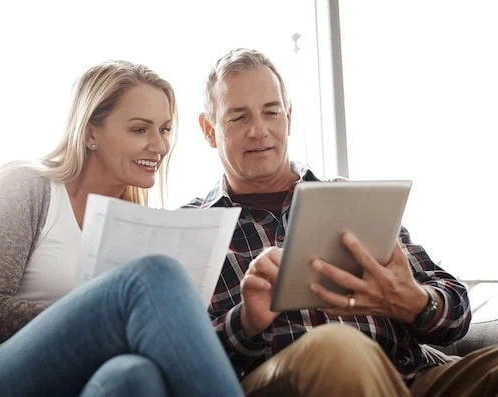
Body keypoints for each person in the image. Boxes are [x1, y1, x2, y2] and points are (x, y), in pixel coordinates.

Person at [185, 48, 498, 397]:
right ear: (209, 129)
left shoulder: (351, 200)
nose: (259, 130)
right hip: (290, 379)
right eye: (238, 117)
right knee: (337, 348)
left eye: (271, 112)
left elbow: (456, 311)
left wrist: (414, 301)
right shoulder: (192, 229)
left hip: (413, 376)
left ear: (288, 117)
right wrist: (246, 322)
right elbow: (181, 363)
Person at [0, 60, 244, 397]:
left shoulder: (138, 223)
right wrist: (105, 310)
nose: (160, 145)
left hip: (85, 382)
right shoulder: (25, 187)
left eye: (164, 130)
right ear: (91, 132)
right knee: (155, 275)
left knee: (135, 376)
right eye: (140, 130)